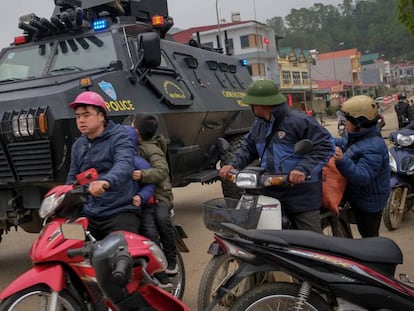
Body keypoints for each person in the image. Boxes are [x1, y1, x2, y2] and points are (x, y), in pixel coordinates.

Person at [219, 80, 334, 233]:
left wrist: (302, 169)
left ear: (261, 105)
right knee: (267, 236)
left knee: (311, 242)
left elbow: (325, 146)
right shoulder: (259, 124)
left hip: (302, 192)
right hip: (271, 189)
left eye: (251, 104)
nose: (250, 107)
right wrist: (233, 165)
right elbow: (247, 147)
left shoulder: (299, 121)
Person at [66, 91, 140, 241]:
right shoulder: (78, 145)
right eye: (78, 116)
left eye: (87, 115)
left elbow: (124, 164)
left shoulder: (119, 137)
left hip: (119, 210)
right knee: (66, 247)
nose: (81, 120)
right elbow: (72, 176)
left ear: (101, 116)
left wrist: (106, 181)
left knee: (120, 255)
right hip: (89, 213)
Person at [123, 124, 173, 289]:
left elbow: (158, 174)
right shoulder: (112, 157)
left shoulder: (144, 156)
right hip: (123, 204)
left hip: (154, 198)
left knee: (151, 232)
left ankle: (164, 272)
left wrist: (140, 192)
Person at [333, 95, 390, 237]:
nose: (345, 122)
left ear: (358, 123)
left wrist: (342, 159)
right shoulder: (356, 136)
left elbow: (362, 176)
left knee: (369, 236)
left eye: (348, 120)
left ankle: (374, 258)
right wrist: (320, 139)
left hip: (369, 202)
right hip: (358, 195)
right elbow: (342, 143)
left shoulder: (374, 147)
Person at [131, 113, 178, 275]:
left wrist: (143, 175)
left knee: (160, 219)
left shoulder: (152, 149)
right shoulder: (132, 147)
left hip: (160, 195)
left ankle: (171, 260)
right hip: (143, 195)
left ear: (137, 131)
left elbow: (162, 170)